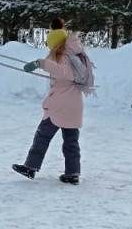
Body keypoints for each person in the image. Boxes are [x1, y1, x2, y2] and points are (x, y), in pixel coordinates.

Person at [12, 18, 94, 185]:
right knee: (71, 141)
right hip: (73, 105)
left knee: (42, 136)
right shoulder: (75, 54)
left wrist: (41, 63)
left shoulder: (65, 56)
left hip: (60, 105)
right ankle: (72, 173)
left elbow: (65, 73)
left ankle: (30, 167)